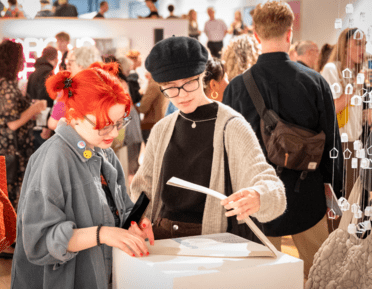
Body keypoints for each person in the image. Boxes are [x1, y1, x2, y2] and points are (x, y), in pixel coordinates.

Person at [222, 1, 343, 279]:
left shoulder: (237, 87)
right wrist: (336, 195)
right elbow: (332, 146)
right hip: (307, 195)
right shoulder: (315, 82)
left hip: (257, 199)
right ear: (290, 34)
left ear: (256, 35)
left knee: (259, 278)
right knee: (319, 274)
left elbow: (229, 152)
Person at [10, 62, 155, 289]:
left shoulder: (104, 152)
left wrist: (133, 223)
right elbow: (38, 243)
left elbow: (119, 208)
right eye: (104, 125)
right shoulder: (53, 160)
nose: (115, 133)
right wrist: (102, 234)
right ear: (74, 116)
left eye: (119, 123)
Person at [131, 36, 286, 241]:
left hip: (212, 240)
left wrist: (259, 195)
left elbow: (267, 181)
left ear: (203, 75)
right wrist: (136, 221)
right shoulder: (162, 129)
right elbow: (144, 189)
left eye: (189, 83)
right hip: (162, 238)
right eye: (170, 87)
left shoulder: (232, 125)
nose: (181, 95)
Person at [321, 28, 368, 202]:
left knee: (354, 199)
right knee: (341, 200)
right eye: (358, 43)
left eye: (364, 44)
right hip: (338, 144)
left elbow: (354, 114)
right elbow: (333, 107)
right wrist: (356, 85)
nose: (362, 49)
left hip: (355, 143)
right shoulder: (332, 69)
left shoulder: (357, 73)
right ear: (345, 47)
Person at [0, 40, 47, 213]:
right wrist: (34, 108)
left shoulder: (7, 84)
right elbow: (12, 124)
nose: (23, 61)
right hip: (10, 152)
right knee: (10, 200)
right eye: (20, 57)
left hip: (11, 152)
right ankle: (10, 239)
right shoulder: (7, 86)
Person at [48, 46, 102, 130]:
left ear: (81, 64)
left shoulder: (70, 90)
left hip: (75, 140)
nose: (67, 66)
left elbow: (53, 123)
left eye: (70, 62)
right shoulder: (104, 86)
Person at [165, 57, 230, 115]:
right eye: (226, 77)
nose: (229, 83)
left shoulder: (177, 105)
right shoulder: (225, 117)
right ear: (213, 85)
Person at [27, 46, 59, 150]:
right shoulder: (49, 73)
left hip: (32, 120)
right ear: (54, 58)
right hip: (43, 123)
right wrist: (47, 125)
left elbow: (28, 96)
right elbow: (46, 98)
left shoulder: (33, 73)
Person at [137, 71, 168, 144]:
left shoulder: (153, 85)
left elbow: (142, 107)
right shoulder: (162, 82)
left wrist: (136, 104)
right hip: (159, 122)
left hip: (150, 125)